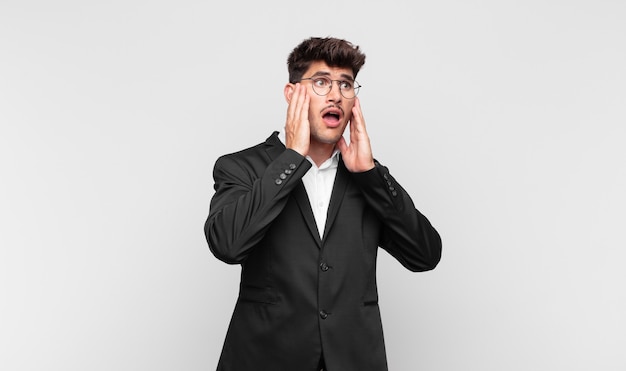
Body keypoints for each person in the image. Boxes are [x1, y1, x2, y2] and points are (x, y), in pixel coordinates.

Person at [204, 36, 442, 371]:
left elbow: (425, 255)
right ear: (291, 94)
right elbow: (228, 245)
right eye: (321, 82)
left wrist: (371, 175)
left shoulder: (367, 176)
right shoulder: (241, 167)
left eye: (346, 84)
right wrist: (291, 160)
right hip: (264, 359)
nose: (335, 94)